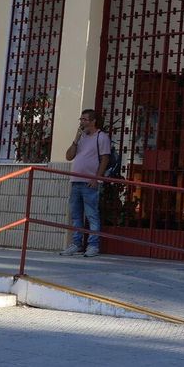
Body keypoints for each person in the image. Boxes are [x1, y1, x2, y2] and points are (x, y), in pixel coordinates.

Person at [61, 109, 112, 257]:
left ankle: (93, 245)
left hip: (89, 182)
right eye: (81, 119)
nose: (82, 122)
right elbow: (69, 156)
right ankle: (76, 244)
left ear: (93, 121)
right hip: (76, 181)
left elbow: (105, 159)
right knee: (76, 215)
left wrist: (96, 178)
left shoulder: (101, 137)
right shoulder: (81, 137)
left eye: (85, 119)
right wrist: (76, 140)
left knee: (92, 215)